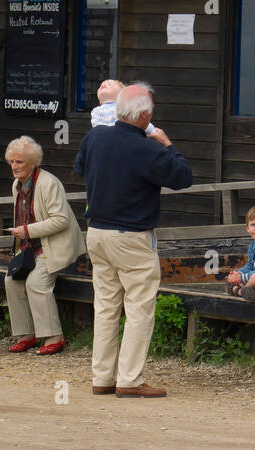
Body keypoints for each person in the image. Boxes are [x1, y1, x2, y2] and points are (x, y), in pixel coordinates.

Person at [74, 83, 192, 398]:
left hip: (96, 232)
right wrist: (168, 145)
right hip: (132, 235)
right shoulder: (148, 148)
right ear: (144, 115)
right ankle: (129, 380)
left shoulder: (94, 137)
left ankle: (102, 378)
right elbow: (183, 177)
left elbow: (79, 168)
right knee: (138, 307)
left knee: (106, 306)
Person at [2, 136, 86, 356]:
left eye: (19, 162)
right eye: (12, 161)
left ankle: (54, 337)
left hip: (56, 247)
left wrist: (27, 231)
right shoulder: (17, 184)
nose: (14, 166)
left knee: (36, 283)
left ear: (32, 163)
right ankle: (26, 334)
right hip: (31, 249)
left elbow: (61, 220)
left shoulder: (48, 183)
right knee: (11, 280)